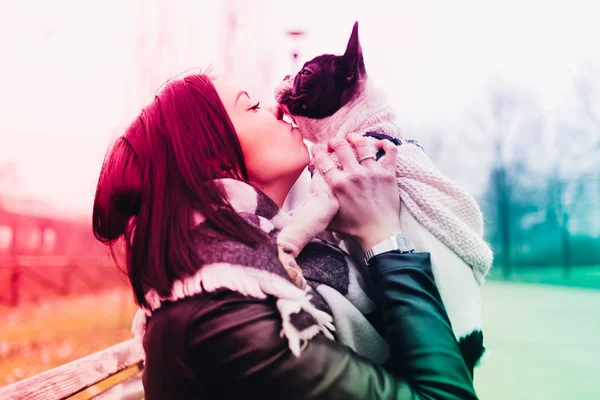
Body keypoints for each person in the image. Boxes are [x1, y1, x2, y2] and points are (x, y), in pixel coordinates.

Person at [92, 74, 478, 399]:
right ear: (210, 153)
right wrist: (383, 234)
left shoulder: (264, 267)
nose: (278, 108)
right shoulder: (226, 315)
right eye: (252, 105)